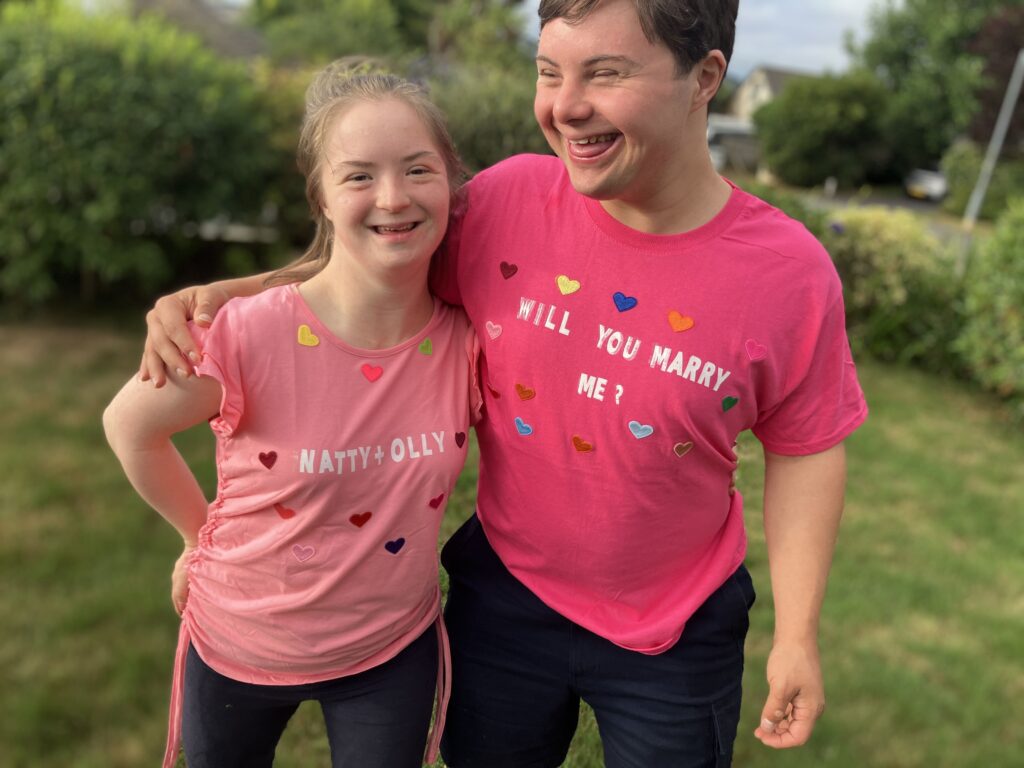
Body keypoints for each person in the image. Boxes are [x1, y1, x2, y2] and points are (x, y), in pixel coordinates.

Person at [139, 1, 868, 765]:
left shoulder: (787, 274)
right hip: (505, 602)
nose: (565, 105)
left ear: (705, 78)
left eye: (605, 74)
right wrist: (231, 294)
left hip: (678, 629)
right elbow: (372, 264)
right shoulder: (505, 202)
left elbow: (808, 446)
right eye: (549, 73)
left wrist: (797, 637)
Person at [104, 61, 481, 768]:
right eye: (359, 175)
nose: (393, 196)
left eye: (418, 169)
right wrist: (198, 535)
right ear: (322, 197)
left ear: (454, 184)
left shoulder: (466, 337)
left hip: (391, 647)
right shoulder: (251, 332)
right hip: (240, 641)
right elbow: (130, 427)